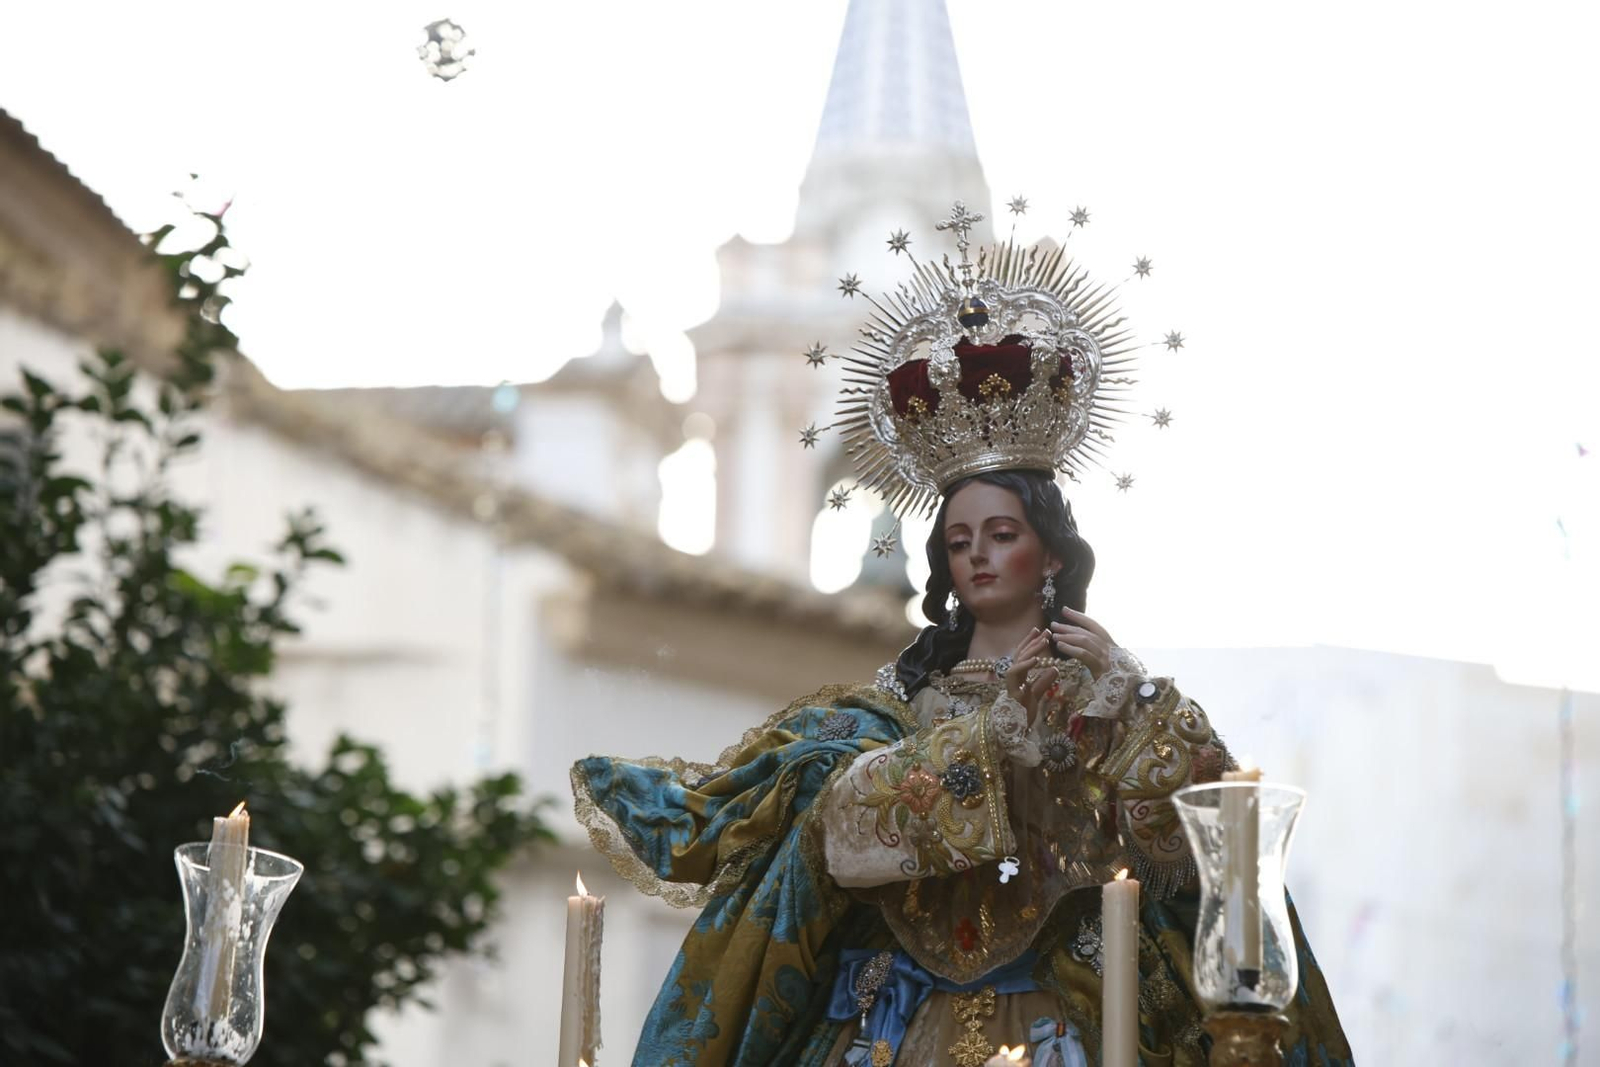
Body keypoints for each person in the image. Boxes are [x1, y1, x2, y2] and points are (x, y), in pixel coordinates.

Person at [572, 205, 1352, 1066]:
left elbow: (1210, 845)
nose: (978, 554)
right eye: (958, 540)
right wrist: (994, 740)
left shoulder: (1113, 696)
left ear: (1052, 551)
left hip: (1073, 1014)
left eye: (1002, 533)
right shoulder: (898, 704)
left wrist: (1131, 706)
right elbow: (838, 837)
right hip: (895, 1021)